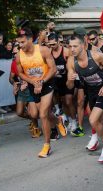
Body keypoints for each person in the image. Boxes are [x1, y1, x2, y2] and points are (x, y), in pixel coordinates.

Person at [67, 34, 103, 163]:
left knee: (92, 119)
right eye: (70, 46)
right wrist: (70, 80)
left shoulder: (96, 55)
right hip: (91, 91)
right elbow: (69, 85)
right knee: (101, 123)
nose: (72, 49)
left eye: (75, 46)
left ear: (82, 45)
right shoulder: (71, 61)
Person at [16, 28, 64, 158]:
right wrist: (32, 82)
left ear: (31, 39)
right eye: (19, 43)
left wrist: (41, 82)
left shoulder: (43, 50)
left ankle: (46, 146)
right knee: (46, 114)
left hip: (47, 82)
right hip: (33, 85)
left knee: (42, 114)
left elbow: (53, 69)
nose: (21, 45)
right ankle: (58, 121)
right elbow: (20, 73)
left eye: (23, 42)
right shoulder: (18, 55)